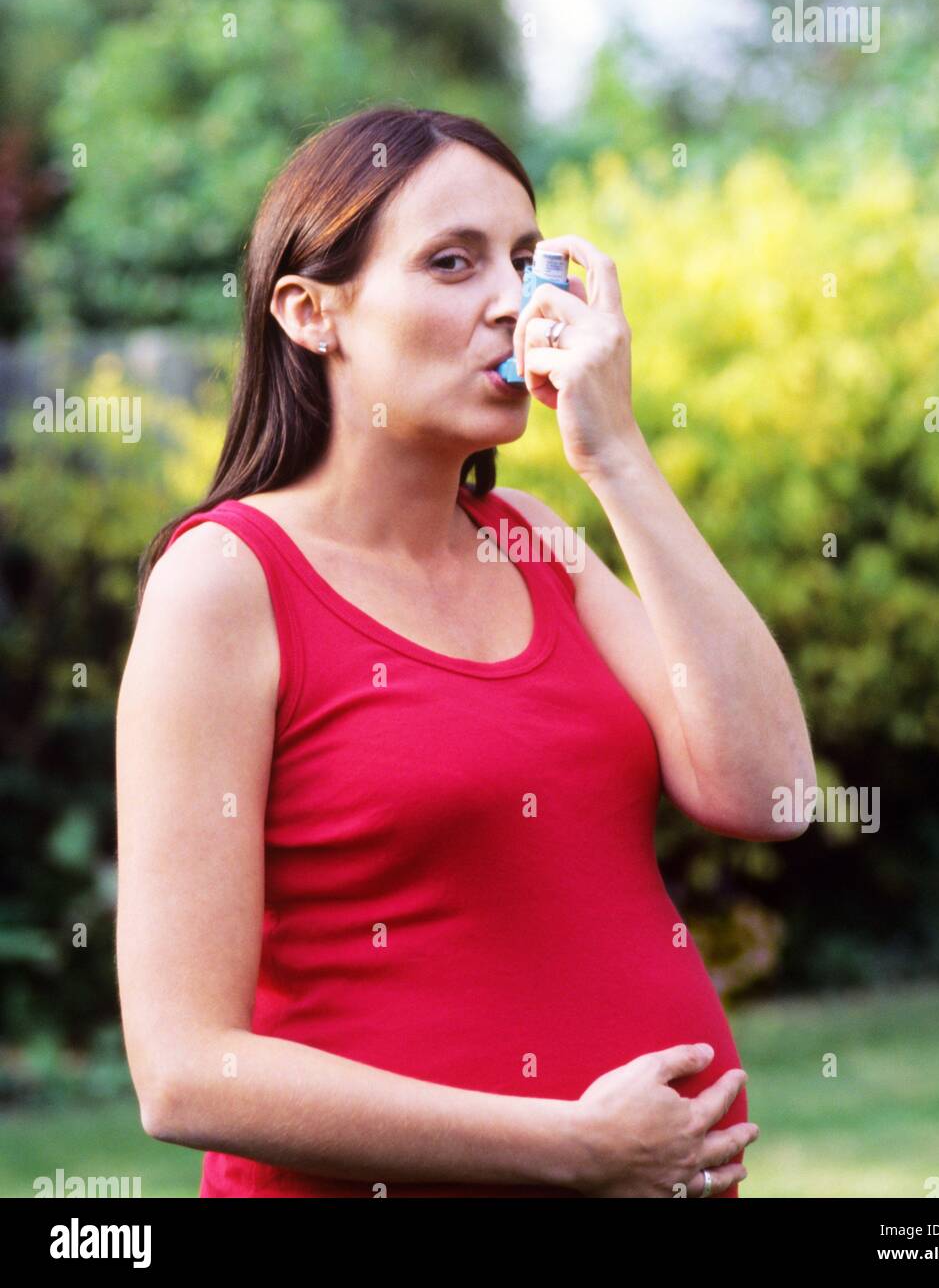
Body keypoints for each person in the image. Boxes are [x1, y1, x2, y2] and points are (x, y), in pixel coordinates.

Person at [115, 105, 814, 1198]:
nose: (513, 302)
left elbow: (770, 791)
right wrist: (571, 1149)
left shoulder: (537, 538)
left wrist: (616, 454)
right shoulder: (225, 582)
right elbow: (185, 1072)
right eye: (452, 262)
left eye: (528, 262)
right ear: (311, 313)